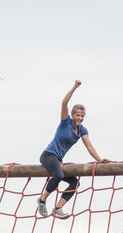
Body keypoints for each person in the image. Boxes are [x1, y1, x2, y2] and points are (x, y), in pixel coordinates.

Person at [37, 80, 110, 218]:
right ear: (72, 115)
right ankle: (42, 200)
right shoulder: (65, 122)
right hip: (48, 155)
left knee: (75, 183)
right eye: (77, 115)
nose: (80, 118)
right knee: (58, 175)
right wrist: (74, 87)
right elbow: (64, 103)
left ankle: (58, 208)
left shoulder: (82, 130)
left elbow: (89, 147)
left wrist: (100, 160)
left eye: (82, 116)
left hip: (58, 160)